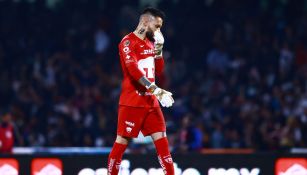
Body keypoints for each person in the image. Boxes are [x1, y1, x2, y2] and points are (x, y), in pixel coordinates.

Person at [107, 7, 175, 175]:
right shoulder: (127, 42)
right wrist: (157, 91)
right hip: (132, 102)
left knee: (163, 144)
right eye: (157, 26)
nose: (159, 30)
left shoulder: (151, 42)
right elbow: (133, 70)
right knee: (121, 143)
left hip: (151, 102)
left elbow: (158, 71)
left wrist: (159, 49)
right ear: (145, 22)